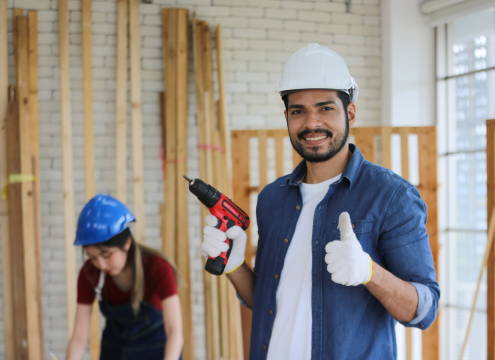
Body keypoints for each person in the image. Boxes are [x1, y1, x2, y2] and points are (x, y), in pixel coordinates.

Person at [201, 43, 439, 359]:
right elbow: (269, 302)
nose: (311, 123)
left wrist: (370, 272)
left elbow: (424, 310)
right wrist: (234, 266)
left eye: (325, 108)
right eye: (298, 111)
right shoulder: (273, 199)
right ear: (286, 116)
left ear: (350, 112)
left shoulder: (391, 196)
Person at [66, 194, 183, 360]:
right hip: (115, 351)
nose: (101, 264)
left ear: (126, 243)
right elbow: (79, 338)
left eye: (106, 254)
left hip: (157, 350)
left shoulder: (157, 268)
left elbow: (175, 332)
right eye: (92, 257)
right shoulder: (89, 273)